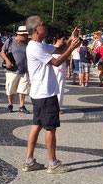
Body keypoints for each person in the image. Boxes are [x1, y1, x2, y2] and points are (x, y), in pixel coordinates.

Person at [23, 16, 81, 174]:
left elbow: (59, 50)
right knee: (50, 128)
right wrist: (72, 48)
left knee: (37, 125)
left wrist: (71, 40)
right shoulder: (35, 47)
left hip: (39, 93)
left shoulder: (39, 45)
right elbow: (56, 61)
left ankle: (29, 161)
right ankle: (53, 163)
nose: (46, 27)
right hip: (45, 93)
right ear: (36, 30)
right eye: (43, 25)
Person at [1, 25, 30, 113]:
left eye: (26, 35)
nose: (26, 37)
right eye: (24, 35)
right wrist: (7, 61)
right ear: (19, 34)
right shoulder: (10, 41)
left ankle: (22, 105)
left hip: (24, 69)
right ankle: (10, 104)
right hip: (12, 70)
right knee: (10, 88)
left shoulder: (27, 42)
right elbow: (2, 52)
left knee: (23, 88)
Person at [52, 34, 69, 110]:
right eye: (63, 39)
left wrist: (69, 69)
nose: (64, 41)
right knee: (55, 88)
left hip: (62, 71)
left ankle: (58, 106)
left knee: (61, 88)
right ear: (58, 39)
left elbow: (67, 59)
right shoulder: (52, 48)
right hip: (55, 71)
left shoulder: (63, 49)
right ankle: (55, 106)